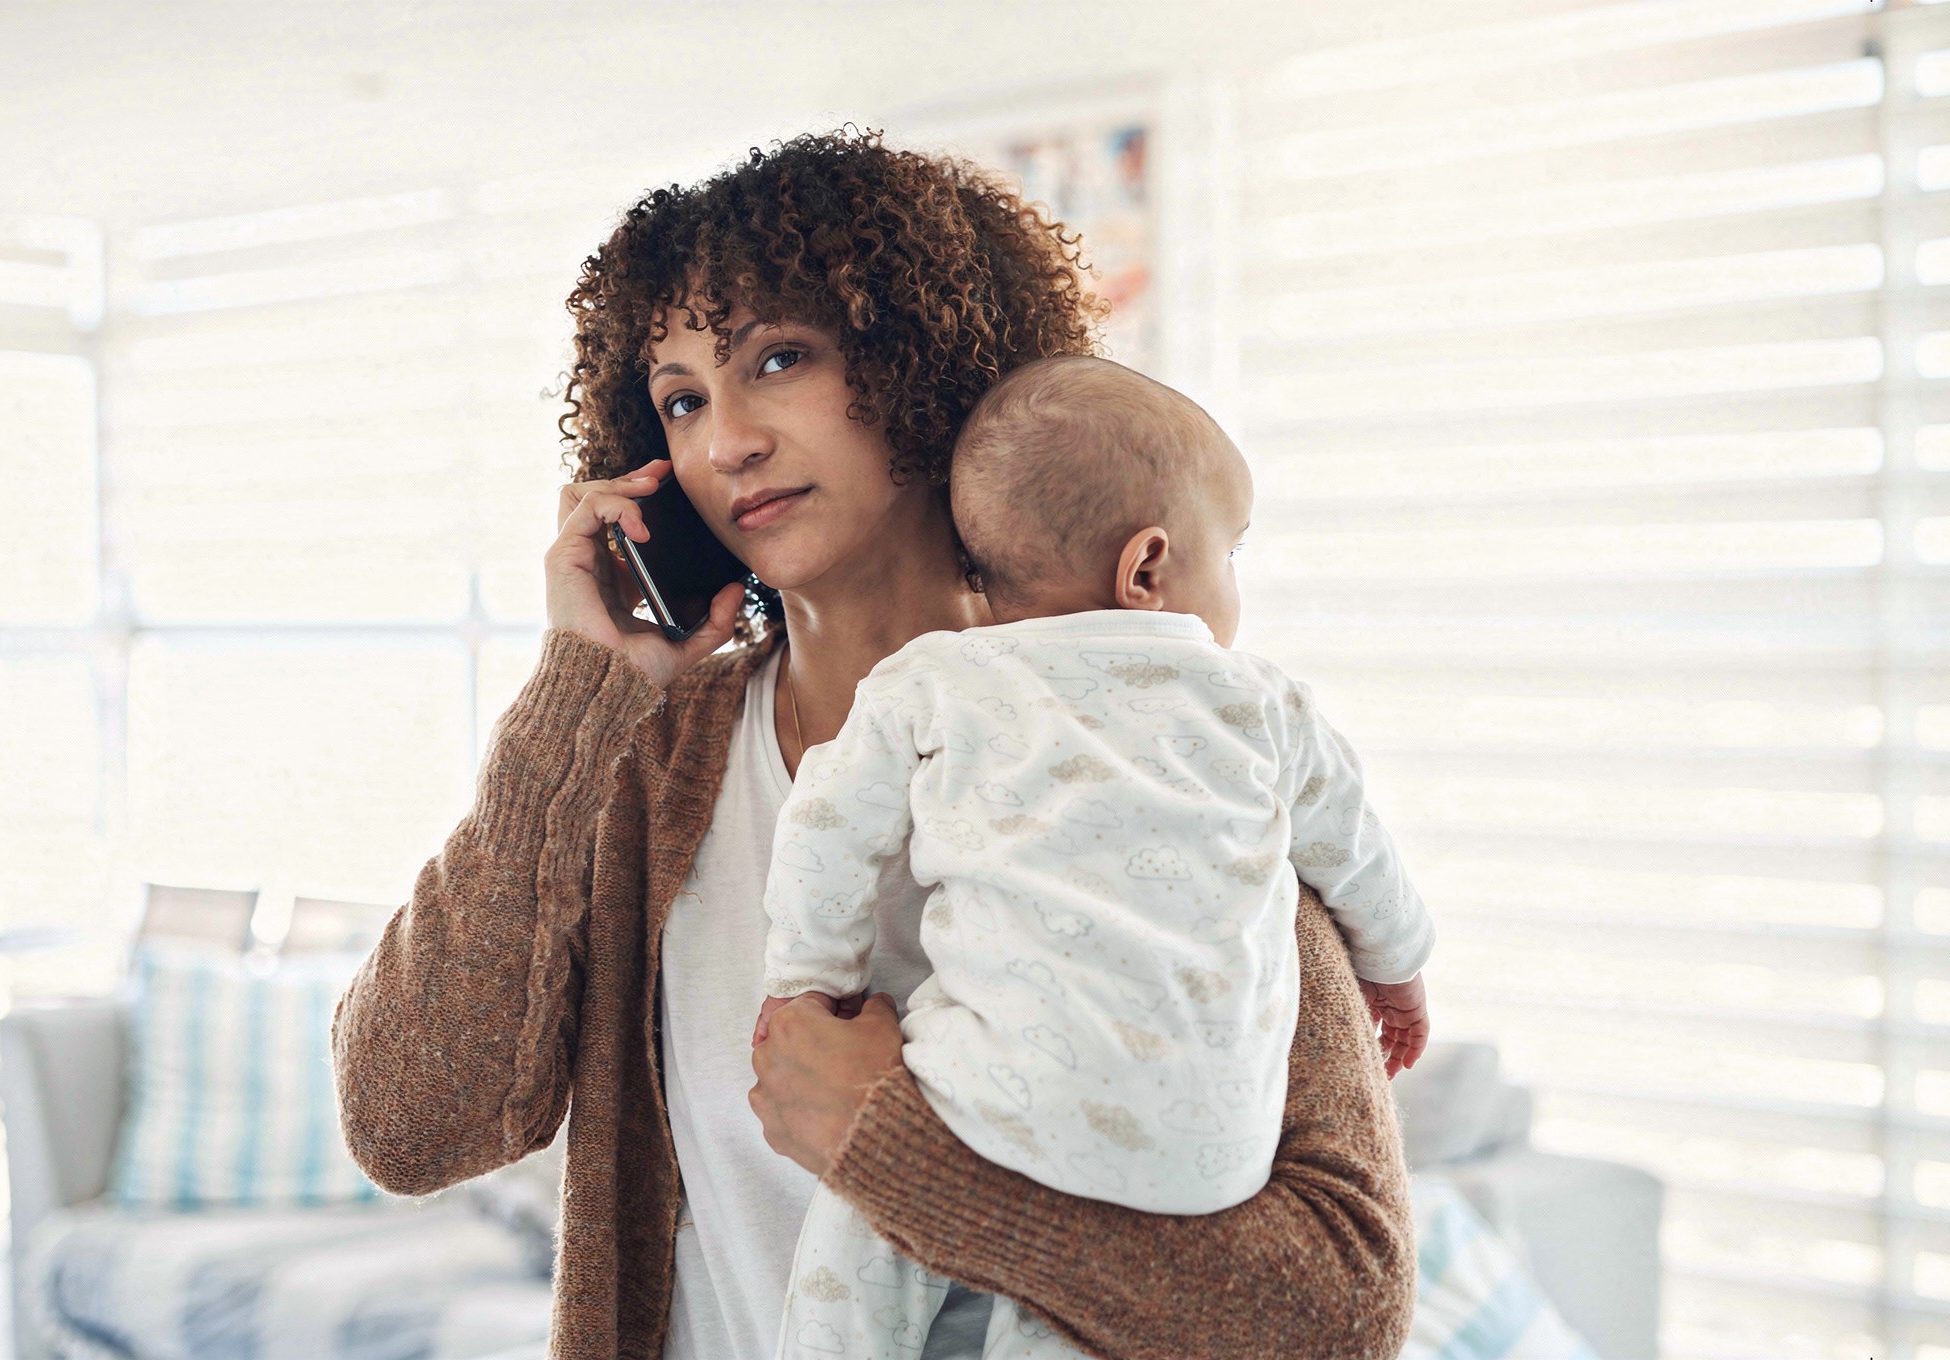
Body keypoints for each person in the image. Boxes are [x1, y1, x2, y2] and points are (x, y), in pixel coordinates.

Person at [329, 129, 1418, 1360]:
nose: (723, 441)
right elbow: (409, 1122)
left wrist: (895, 1155)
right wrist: (582, 689)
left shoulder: (1163, 724)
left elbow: (1338, 1312)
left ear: (927, 363)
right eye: (681, 398)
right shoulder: (650, 759)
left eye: (777, 359)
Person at [752, 355, 1435, 1359]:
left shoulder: (935, 683)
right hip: (1208, 1153)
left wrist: (810, 980)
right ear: (1147, 567)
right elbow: (1359, 853)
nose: (1234, 584)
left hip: (992, 1098)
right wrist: (1398, 969)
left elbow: (826, 825)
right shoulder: (1258, 704)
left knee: (861, 1238)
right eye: (1231, 552)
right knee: (1073, 1312)